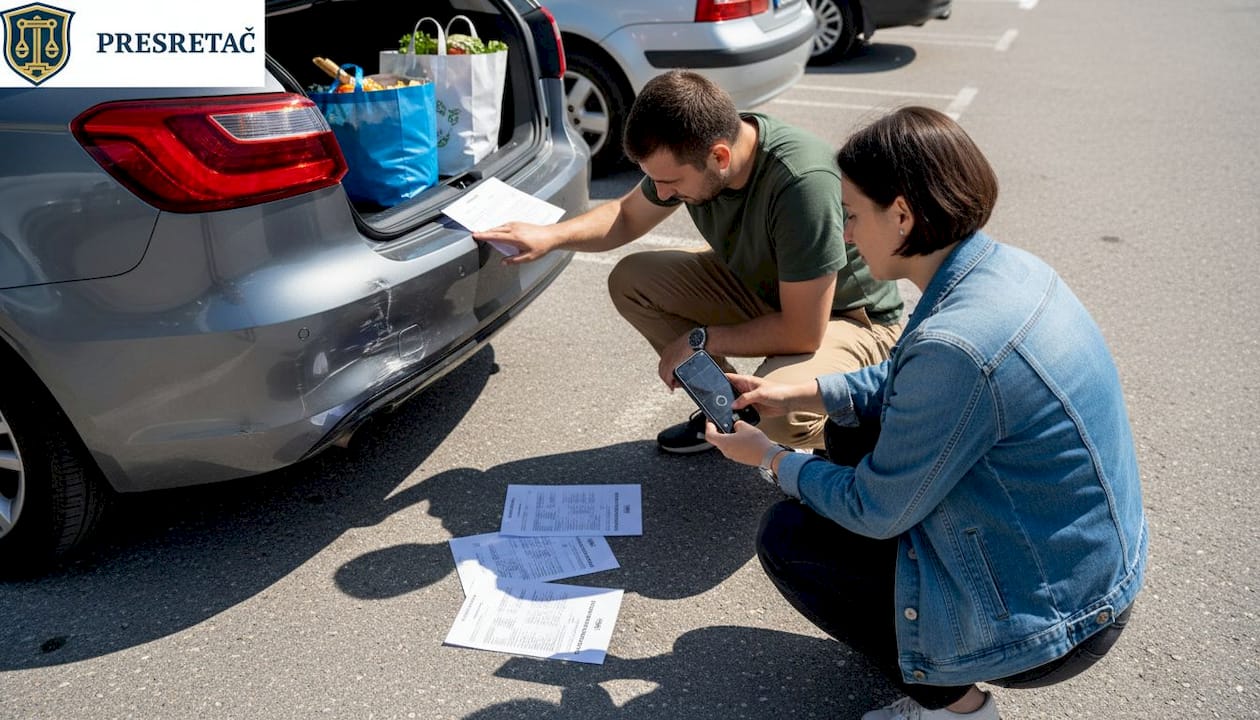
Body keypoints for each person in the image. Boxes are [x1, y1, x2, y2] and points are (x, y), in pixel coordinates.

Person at [704, 106, 1148, 719]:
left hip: (1057, 623)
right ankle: (933, 645)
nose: (847, 235)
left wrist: (771, 458)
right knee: (850, 425)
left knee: (789, 538)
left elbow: (875, 509)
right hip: (1085, 566)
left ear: (904, 214)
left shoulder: (957, 346)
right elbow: (903, 375)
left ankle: (957, 707)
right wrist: (797, 395)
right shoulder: (1001, 270)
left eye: (853, 215)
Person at [472, 70, 903, 453]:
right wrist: (549, 236)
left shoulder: (800, 182)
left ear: (719, 156)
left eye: (671, 182)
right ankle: (729, 416)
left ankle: (858, 447)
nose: (661, 194)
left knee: (781, 410)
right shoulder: (697, 147)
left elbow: (803, 331)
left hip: (847, 318)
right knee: (633, 279)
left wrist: (701, 340)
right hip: (769, 290)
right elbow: (624, 216)